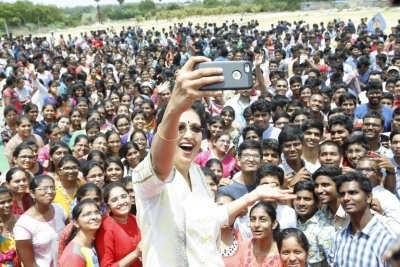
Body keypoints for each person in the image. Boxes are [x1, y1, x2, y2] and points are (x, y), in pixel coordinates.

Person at [132, 57, 295, 266]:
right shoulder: (146, 174)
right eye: (179, 128)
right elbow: (159, 168)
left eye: (195, 128)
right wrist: (173, 106)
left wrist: (252, 196)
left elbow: (211, 219)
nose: (189, 135)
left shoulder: (198, 173)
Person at [328, 171, 397, 267]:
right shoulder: (339, 237)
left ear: (369, 197)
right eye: (342, 194)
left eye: (353, 192)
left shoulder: (387, 239)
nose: (346, 198)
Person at [14, 175, 67, 267]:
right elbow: (29, 264)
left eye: (52, 188)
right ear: (32, 193)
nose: (50, 191)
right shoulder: (23, 225)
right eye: (44, 188)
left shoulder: (59, 209)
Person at [95, 182, 142, 267]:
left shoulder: (135, 219)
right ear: (108, 207)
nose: (121, 202)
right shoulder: (105, 229)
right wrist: (135, 254)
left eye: (124, 197)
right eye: (114, 200)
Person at [293, 180, 335, 267]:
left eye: (307, 199)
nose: (301, 203)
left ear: (317, 202)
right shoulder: (291, 220)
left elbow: (334, 264)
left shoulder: (326, 229)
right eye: (298, 198)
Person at [59, 199, 101, 267]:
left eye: (96, 212)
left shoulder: (90, 244)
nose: (94, 217)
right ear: (76, 223)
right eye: (87, 214)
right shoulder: (73, 255)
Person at [239, 201, 282, 267]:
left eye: (263, 220)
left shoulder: (282, 252)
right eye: (253, 219)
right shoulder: (244, 246)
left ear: (274, 224)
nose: (256, 225)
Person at [215, 193, 244, 267]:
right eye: (221, 206)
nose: (226, 213)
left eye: (230, 209)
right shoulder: (203, 234)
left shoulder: (239, 237)